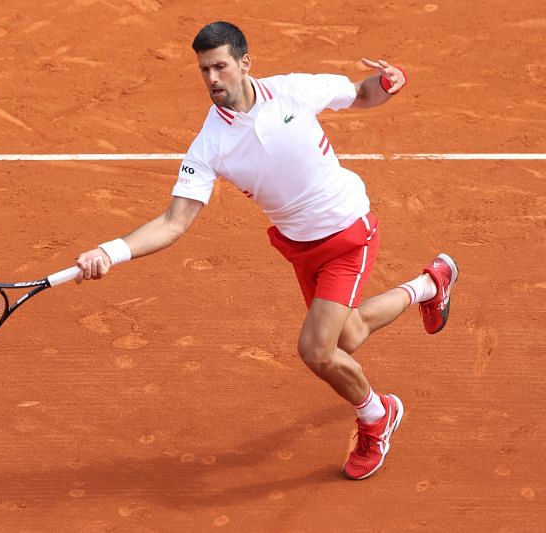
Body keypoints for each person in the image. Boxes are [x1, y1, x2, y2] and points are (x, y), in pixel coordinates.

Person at [73, 21, 458, 480]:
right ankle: (430, 284)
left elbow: (360, 93)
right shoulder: (210, 145)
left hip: (348, 230)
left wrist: (389, 82)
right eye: (204, 70)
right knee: (348, 337)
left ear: (244, 63)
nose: (212, 79)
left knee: (317, 351)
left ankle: (378, 415)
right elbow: (173, 222)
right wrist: (109, 251)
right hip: (300, 247)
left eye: (220, 66)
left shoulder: (293, 91)